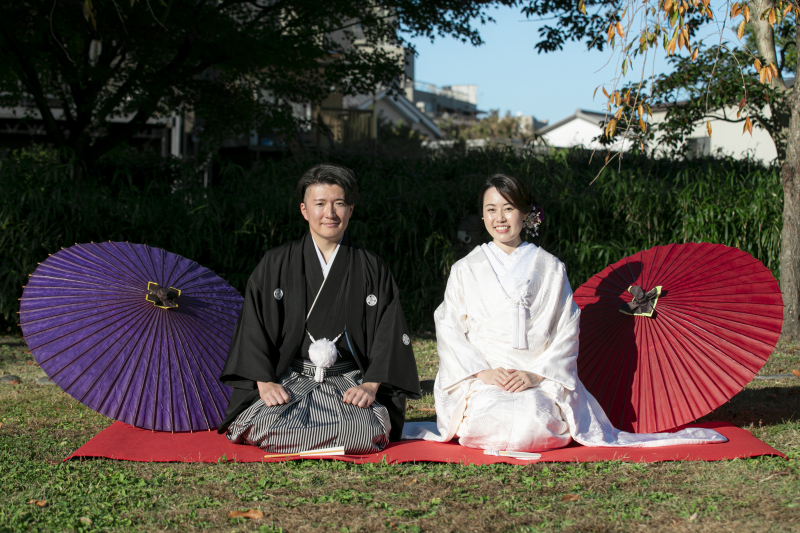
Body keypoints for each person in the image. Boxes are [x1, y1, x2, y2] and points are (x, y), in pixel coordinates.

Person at [405, 174, 726, 451]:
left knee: (532, 422)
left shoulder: (550, 267)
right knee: (494, 420)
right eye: (491, 210)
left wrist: (535, 374)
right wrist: (481, 373)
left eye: (509, 208)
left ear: (526, 214)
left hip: (538, 378)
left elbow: (566, 331)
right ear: (483, 215)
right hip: (485, 378)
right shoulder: (466, 269)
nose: (500, 218)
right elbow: (448, 328)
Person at [218, 163, 421, 454]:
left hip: (348, 383)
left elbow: (389, 332)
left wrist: (371, 386)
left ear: (350, 210)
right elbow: (254, 327)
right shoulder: (275, 263)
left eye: (339, 204)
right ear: (304, 210)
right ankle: (328, 439)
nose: (330, 213)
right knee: (263, 424)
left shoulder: (371, 267)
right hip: (291, 380)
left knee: (362, 431)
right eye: (320, 204)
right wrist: (264, 382)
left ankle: (325, 437)